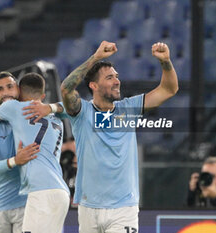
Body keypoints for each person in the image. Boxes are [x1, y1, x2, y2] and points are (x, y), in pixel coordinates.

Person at [60, 40, 178, 232]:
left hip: (123, 208)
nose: (117, 81)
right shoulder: (81, 112)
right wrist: (96, 57)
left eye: (116, 76)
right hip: (88, 207)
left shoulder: (129, 108)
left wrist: (166, 62)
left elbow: (169, 89)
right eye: (109, 78)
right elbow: (66, 88)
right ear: (93, 86)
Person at [0, 73, 70, 233]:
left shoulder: (24, 112)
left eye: (10, 87)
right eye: (0, 89)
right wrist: (14, 161)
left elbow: (76, 109)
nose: (6, 92)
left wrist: (49, 107)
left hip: (27, 203)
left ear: (19, 90)